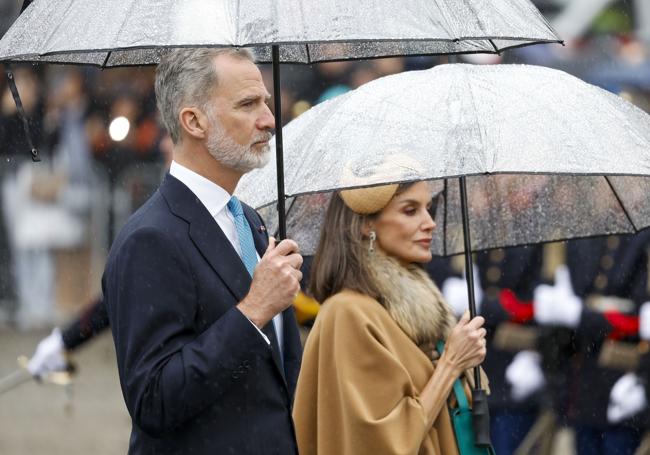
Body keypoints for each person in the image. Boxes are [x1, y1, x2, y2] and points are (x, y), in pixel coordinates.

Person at [102, 48, 303, 454]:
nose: (268, 118)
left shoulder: (250, 220)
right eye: (248, 104)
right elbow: (153, 400)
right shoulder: (150, 238)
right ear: (193, 121)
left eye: (265, 101)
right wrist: (253, 312)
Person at [293, 181, 488, 454]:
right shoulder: (348, 313)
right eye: (410, 211)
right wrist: (451, 364)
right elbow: (380, 441)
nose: (429, 222)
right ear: (366, 225)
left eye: (428, 209)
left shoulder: (404, 310)